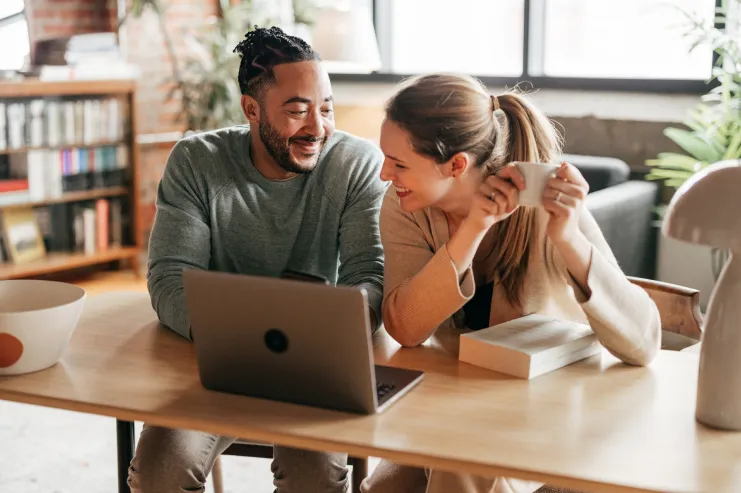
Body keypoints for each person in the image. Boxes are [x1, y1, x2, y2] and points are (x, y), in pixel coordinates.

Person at [361, 73, 662, 493]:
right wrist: (472, 230)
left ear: (456, 165)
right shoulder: (405, 207)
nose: (383, 175)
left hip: (548, 407)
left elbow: (644, 342)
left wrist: (569, 238)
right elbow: (406, 329)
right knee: (391, 485)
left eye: (399, 163)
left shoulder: (542, 203)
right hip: (454, 405)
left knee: (461, 464)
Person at [129, 26, 386, 493]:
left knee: (316, 476)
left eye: (325, 107)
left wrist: (332, 335)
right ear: (251, 109)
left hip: (316, 369)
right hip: (215, 364)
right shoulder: (195, 161)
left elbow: (369, 275)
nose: (317, 127)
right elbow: (169, 278)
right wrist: (240, 340)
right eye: (297, 110)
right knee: (160, 470)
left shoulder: (357, 163)